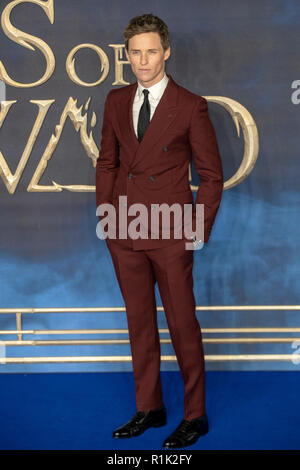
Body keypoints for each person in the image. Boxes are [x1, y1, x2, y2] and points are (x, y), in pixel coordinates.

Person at [95, 13, 223, 448]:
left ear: (166, 51)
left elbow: (211, 176)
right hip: (123, 232)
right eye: (135, 52)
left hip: (171, 234)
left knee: (183, 324)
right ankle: (149, 407)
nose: (143, 60)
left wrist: (195, 231)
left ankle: (195, 414)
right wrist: (106, 215)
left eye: (151, 51)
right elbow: (107, 162)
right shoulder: (114, 101)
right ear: (126, 54)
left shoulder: (190, 106)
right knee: (139, 325)